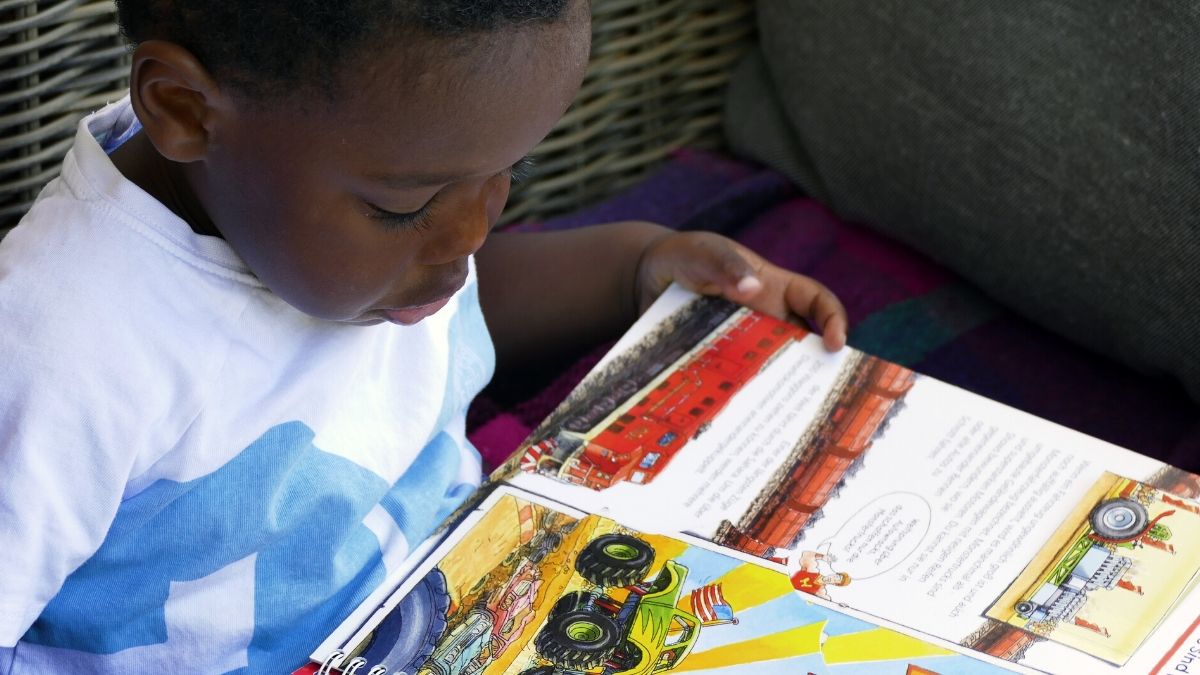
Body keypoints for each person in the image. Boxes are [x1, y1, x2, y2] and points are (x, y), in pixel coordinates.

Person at [0, 1, 847, 672]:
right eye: (403, 206)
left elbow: (452, 323)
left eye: (503, 173)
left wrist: (637, 267)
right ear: (185, 110)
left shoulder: (349, 219)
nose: (467, 236)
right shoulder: (58, 348)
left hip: (466, 601)